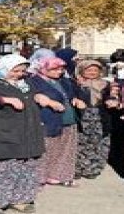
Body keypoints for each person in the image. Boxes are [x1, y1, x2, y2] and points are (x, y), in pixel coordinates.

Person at [0, 54, 45, 214]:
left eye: (22, 71)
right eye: (15, 70)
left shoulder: (25, 84)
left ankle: (19, 199)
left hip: (26, 133)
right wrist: (2, 100)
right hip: (0, 133)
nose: (19, 74)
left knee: (22, 168)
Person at [31, 56, 85, 186]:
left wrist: (76, 100)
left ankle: (60, 176)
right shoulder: (34, 81)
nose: (59, 72)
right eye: (55, 69)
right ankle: (41, 177)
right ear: (43, 68)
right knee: (47, 149)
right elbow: (32, 96)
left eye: (61, 69)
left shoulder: (64, 81)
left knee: (66, 150)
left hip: (68, 119)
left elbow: (70, 95)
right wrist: (47, 102)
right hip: (48, 119)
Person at [74, 59, 117, 179]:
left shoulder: (107, 84)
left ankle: (93, 169)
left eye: (95, 70)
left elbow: (111, 96)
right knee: (80, 143)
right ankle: (77, 168)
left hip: (100, 117)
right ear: (82, 70)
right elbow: (70, 96)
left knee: (98, 143)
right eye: (89, 70)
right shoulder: (76, 83)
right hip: (82, 117)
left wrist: (113, 100)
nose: (92, 72)